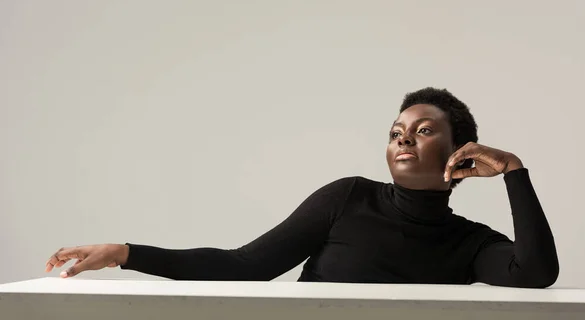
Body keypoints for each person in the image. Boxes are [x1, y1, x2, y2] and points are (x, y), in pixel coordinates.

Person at [45, 87, 559, 288]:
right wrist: (125, 253)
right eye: (395, 133)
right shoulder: (347, 198)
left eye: (423, 131)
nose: (403, 140)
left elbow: (534, 272)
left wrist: (514, 170)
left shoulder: (471, 243)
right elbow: (246, 266)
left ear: (461, 152)